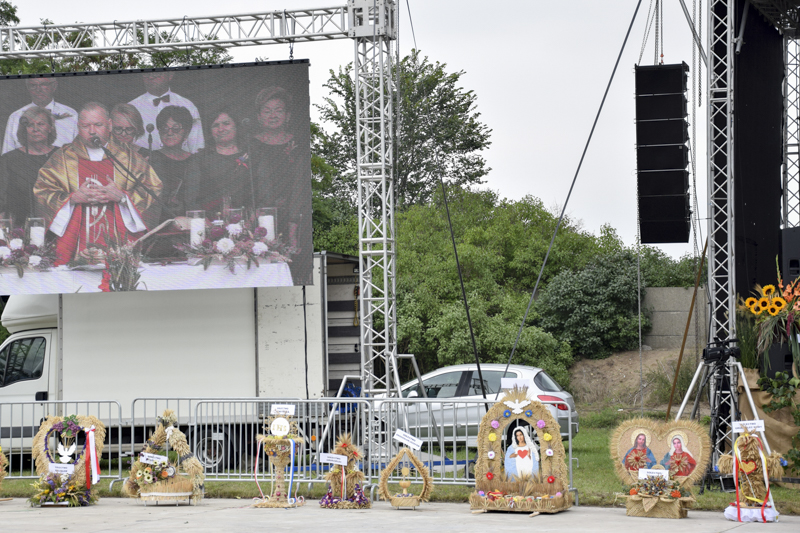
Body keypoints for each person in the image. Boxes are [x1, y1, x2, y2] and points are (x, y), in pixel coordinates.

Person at [33, 102, 163, 265]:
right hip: (73, 248)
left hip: (121, 249)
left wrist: (123, 198)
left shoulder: (129, 158)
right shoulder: (63, 158)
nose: (92, 131)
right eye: (86, 126)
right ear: (78, 127)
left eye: (98, 125)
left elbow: (153, 189)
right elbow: (42, 191)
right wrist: (72, 199)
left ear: (109, 125)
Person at [251, 86, 312, 283]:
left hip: (292, 218)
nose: (273, 115)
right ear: (259, 117)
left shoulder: (299, 144)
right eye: (267, 111)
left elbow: (300, 185)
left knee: (292, 272)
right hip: (255, 220)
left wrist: (293, 225)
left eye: (278, 110)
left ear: (287, 115)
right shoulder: (249, 145)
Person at [0, 107, 58, 225]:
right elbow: (2, 199)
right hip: (19, 228)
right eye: (30, 125)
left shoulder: (62, 156)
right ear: (23, 130)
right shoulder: (9, 159)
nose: (35, 129)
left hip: (57, 225)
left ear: (50, 128)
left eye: (41, 124)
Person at [128, 71, 203, 154]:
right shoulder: (131, 107)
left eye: (156, 73)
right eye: (146, 73)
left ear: (170, 75)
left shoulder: (188, 105)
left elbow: (196, 145)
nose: (151, 77)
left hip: (179, 164)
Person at [148, 106, 200, 224]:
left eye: (176, 128)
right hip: (157, 223)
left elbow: (196, 198)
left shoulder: (194, 160)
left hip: (188, 224)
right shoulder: (151, 158)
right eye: (164, 128)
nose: (169, 132)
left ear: (186, 132)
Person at [194, 108, 252, 213]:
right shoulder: (200, 159)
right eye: (215, 125)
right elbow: (192, 199)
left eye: (226, 123)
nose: (221, 129)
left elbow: (262, 195)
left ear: (236, 126)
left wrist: (251, 221)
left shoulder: (251, 156)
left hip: (247, 221)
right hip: (209, 222)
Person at [2, 77, 78, 154]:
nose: (38, 89)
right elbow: (7, 156)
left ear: (54, 86)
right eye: (33, 85)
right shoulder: (15, 116)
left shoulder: (71, 114)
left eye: (43, 84)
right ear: (28, 87)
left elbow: (79, 151)